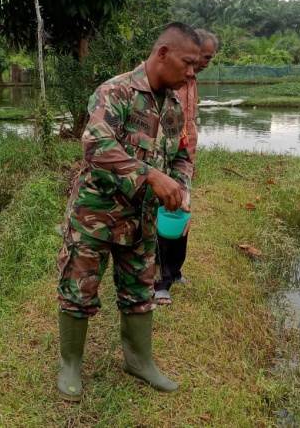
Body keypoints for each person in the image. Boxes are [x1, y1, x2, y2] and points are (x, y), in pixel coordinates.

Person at [55, 23, 200, 401]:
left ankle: (139, 361)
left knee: (139, 289)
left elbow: (182, 154)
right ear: (163, 53)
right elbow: (96, 146)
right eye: (187, 64)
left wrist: (180, 186)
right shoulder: (114, 91)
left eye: (196, 69)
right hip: (96, 215)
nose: (190, 75)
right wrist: (151, 176)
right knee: (78, 288)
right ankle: (70, 365)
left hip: (143, 219)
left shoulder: (172, 107)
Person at [154, 29, 219, 306]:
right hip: (160, 161)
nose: (200, 66)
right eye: (200, 58)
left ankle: (174, 271)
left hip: (183, 159)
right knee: (162, 218)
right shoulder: (169, 80)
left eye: (205, 60)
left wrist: (185, 166)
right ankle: (159, 281)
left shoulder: (191, 80)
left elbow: (187, 125)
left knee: (183, 215)